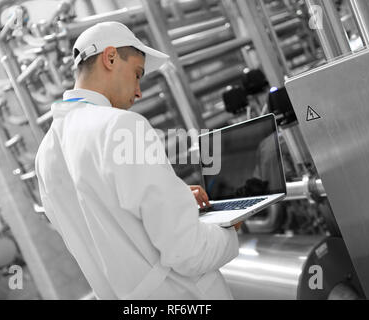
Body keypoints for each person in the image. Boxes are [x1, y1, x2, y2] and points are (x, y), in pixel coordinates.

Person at [35, 21, 241, 300]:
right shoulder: (121, 126)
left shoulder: (46, 154)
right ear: (109, 58)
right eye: (137, 74)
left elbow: (109, 225)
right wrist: (228, 226)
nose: (138, 91)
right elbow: (188, 253)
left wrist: (175, 198)